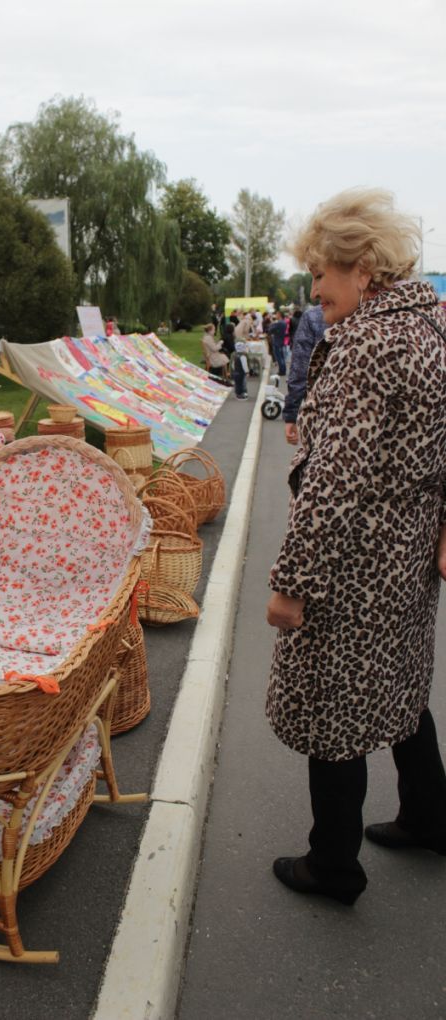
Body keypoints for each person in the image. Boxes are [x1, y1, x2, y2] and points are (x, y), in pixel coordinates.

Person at [265, 187, 446, 906]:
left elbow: (333, 483)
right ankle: (431, 819)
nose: (314, 290)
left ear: (362, 269)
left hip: (353, 564)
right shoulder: (432, 327)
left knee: (332, 712)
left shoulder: (365, 346)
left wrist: (291, 584)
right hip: (408, 559)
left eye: (320, 274)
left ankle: (332, 866)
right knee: (401, 688)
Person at [282, 304, 327, 446]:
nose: (314, 292)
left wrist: (291, 414)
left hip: (322, 415)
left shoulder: (314, 316)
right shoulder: (390, 315)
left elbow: (300, 369)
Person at [268, 309, 288, 376]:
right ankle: (283, 370)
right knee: (282, 357)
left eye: (277, 314)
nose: (275, 315)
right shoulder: (284, 322)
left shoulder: (279, 323)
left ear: (279, 315)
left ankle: (281, 371)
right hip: (281, 341)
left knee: (279, 357)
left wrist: (272, 324)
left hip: (277, 341)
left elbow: (270, 330)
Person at [233, 331, 249, 399]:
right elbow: (244, 365)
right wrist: (247, 371)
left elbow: (233, 365)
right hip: (241, 372)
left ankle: (237, 393)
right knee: (242, 383)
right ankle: (242, 393)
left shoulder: (235, 355)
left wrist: (234, 369)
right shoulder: (243, 356)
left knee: (237, 383)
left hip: (236, 372)